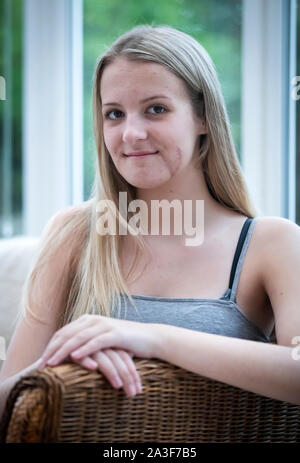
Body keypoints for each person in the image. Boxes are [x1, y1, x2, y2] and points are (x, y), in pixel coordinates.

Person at [1, 24, 300, 421]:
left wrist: (152, 338)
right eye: (114, 114)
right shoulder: (75, 232)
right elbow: (9, 399)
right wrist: (67, 364)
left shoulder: (270, 242)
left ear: (203, 118)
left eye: (156, 109)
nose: (132, 133)